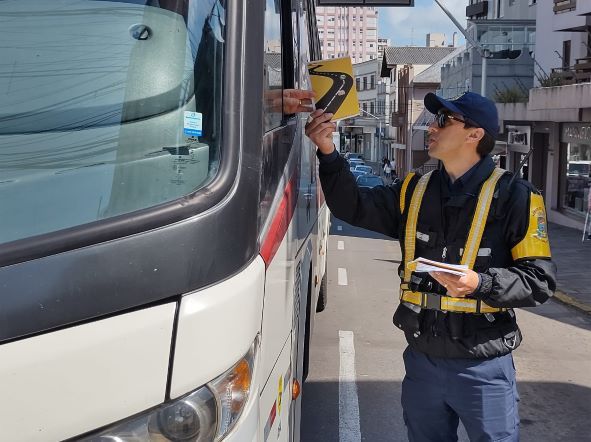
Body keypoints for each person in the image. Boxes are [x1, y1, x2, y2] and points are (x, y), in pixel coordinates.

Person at [305, 91, 557, 442]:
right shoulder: (414, 190)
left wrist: (479, 284)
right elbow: (354, 205)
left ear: (475, 135)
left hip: (483, 366)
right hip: (423, 361)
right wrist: (328, 152)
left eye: (443, 120)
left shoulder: (518, 197)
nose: (431, 127)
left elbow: (539, 281)